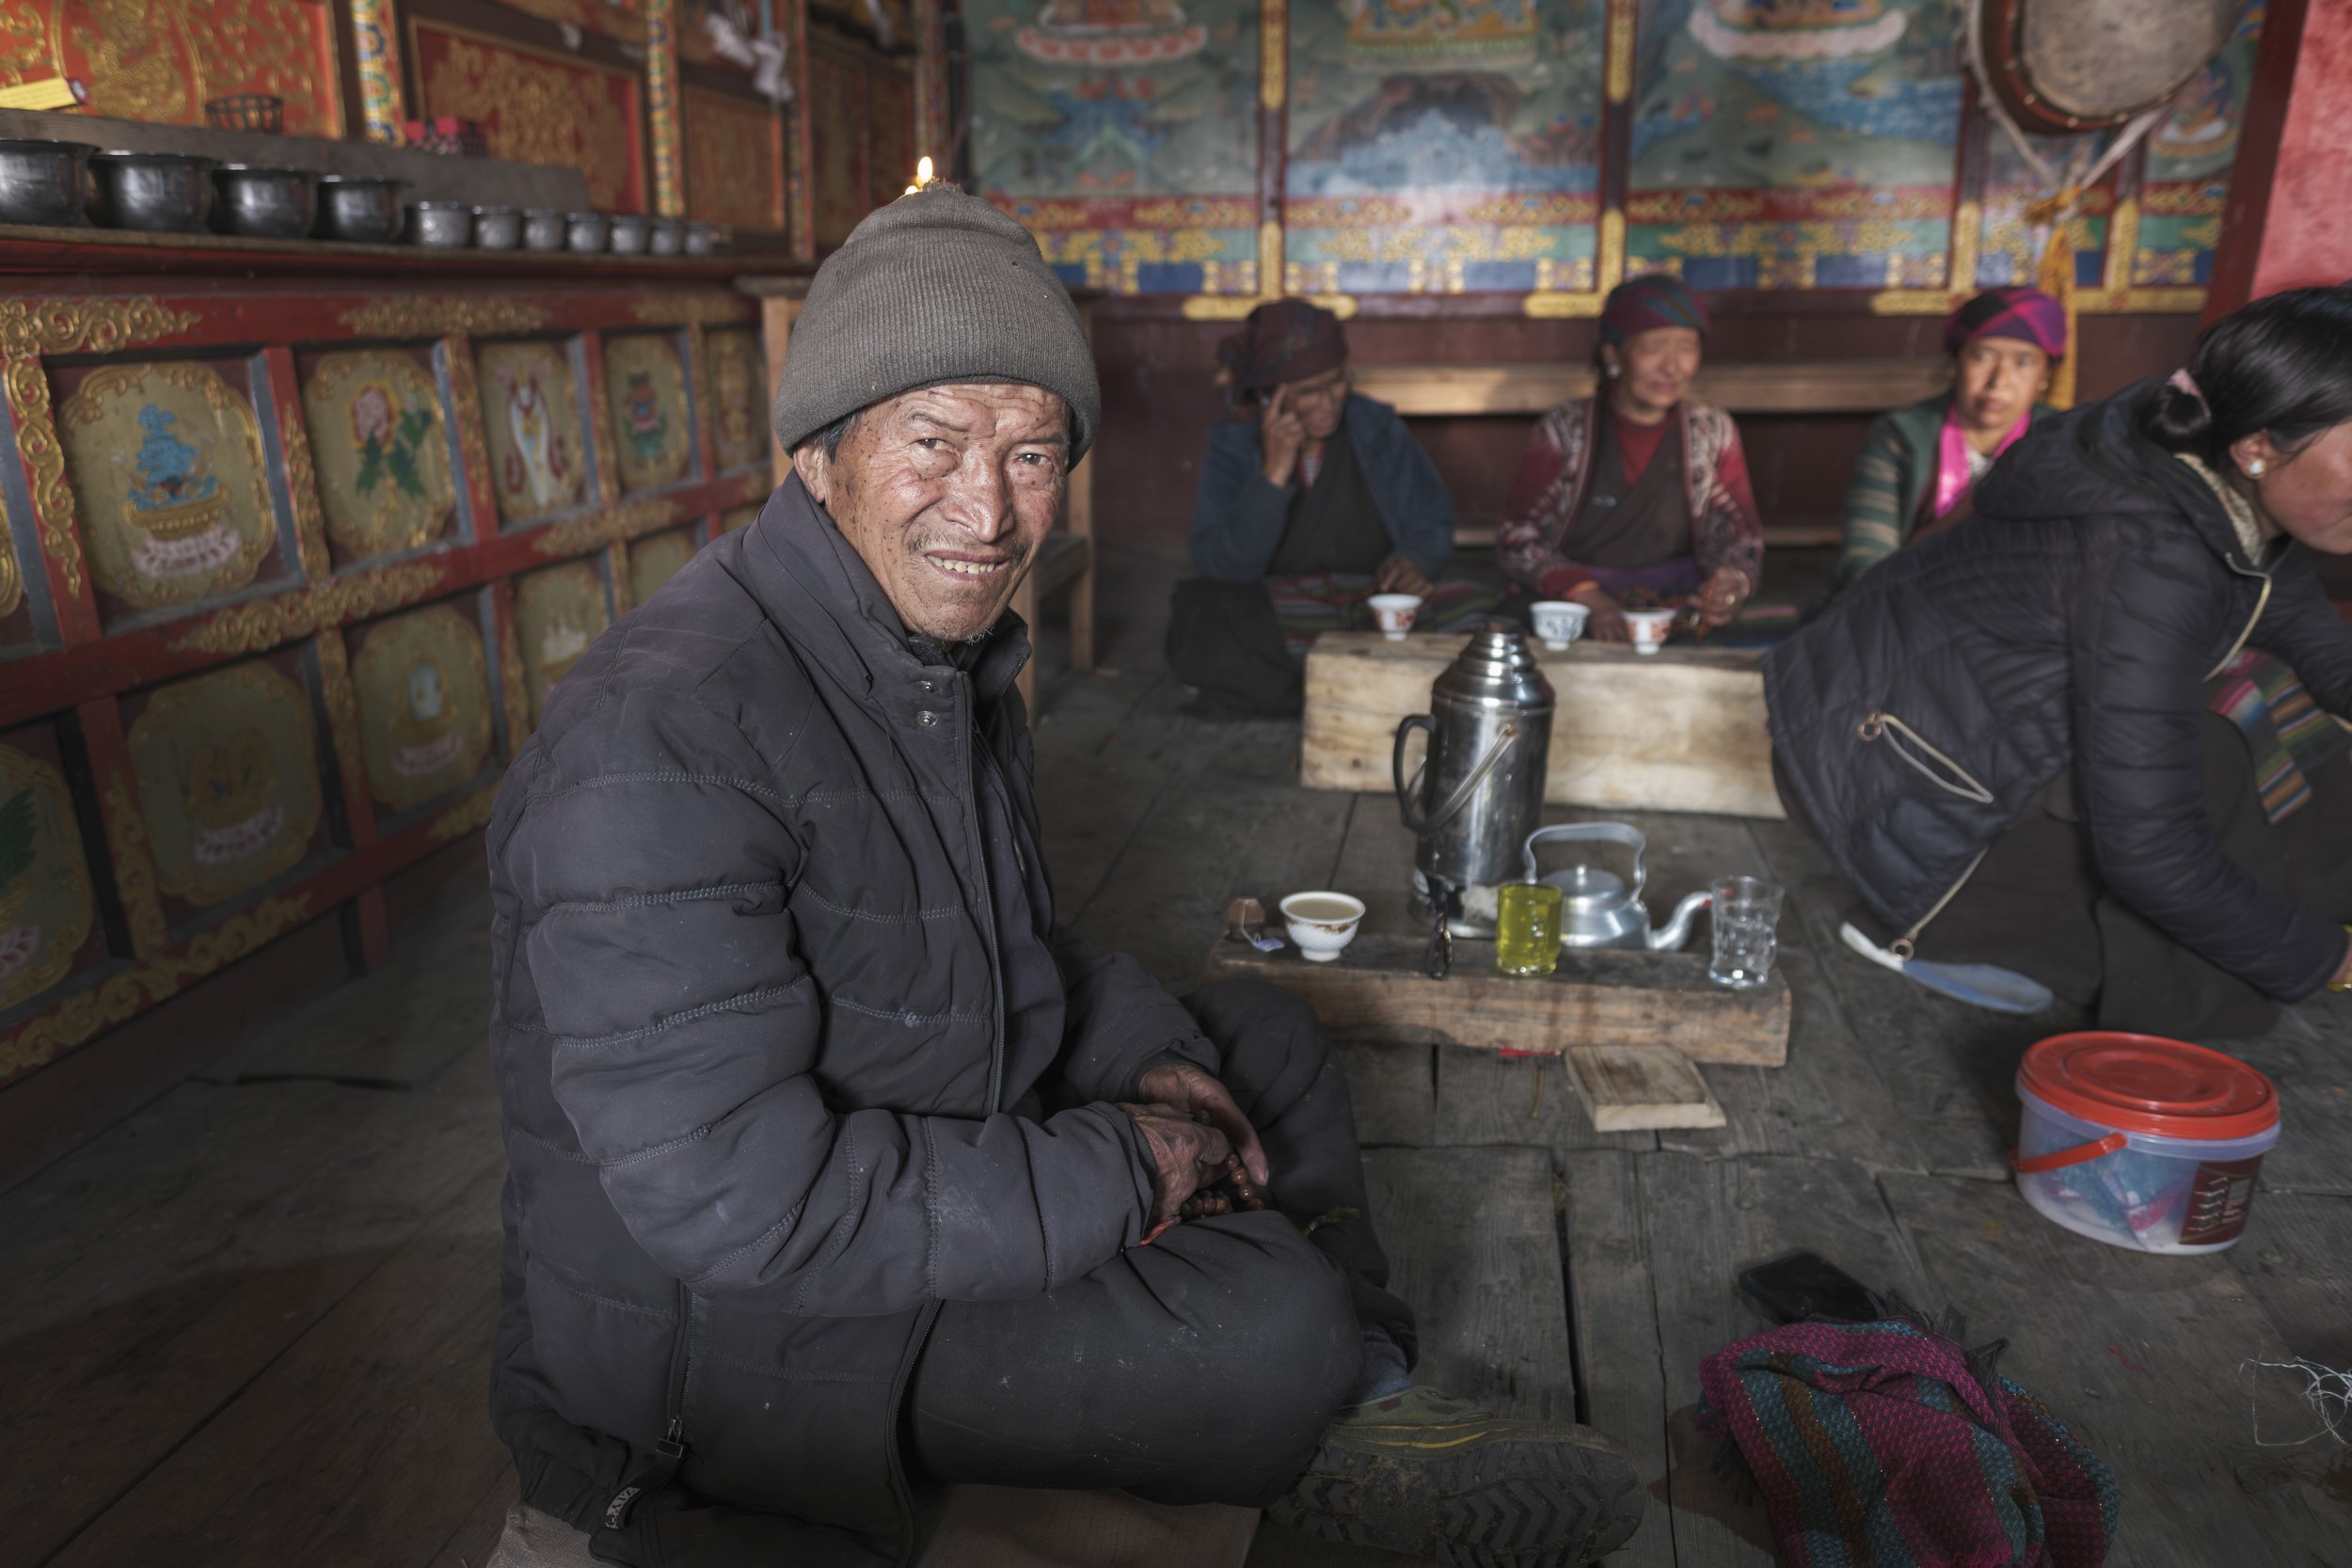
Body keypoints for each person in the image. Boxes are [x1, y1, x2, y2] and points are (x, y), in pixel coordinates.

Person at [482, 186, 1641, 1568]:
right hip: (729, 1340)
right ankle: (1310, 1382)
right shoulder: (658, 738)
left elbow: (1001, 941)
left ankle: (1354, 1405)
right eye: (933, 441)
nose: (987, 506)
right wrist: (1120, 1169)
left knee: (1262, 1029)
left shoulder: (930, 665)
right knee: (1267, 1323)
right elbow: (750, 1203)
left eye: (1033, 453)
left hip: (920, 1145)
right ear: (816, 453)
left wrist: (1153, 1060)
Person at [1767, 286, 2352, 1037]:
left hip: (1928, 724)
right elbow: (2152, 852)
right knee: (2213, 759)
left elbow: (2315, 639)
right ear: (2259, 446)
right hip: (1887, 772)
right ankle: (1935, 930)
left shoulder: (2202, 454)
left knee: (2277, 702)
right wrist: (2330, 958)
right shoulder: (2152, 555)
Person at [1171, 298, 1489, 716]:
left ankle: (1303, 690)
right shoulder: (1234, 444)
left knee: (1473, 604)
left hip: (1370, 606)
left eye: (1336, 382)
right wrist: (1272, 475)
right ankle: (1360, 689)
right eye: (1307, 392)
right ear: (1270, 396)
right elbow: (1224, 565)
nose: (1328, 402)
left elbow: (1432, 518)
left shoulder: (1376, 427)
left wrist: (1412, 561)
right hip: (1282, 611)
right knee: (1204, 616)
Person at [1498, 275, 1763, 641]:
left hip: (1677, 604)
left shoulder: (1713, 431)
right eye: (1654, 347)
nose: (1671, 367)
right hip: (1576, 599)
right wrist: (1589, 598)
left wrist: (1730, 585)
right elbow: (1517, 538)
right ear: (1613, 354)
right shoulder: (1564, 429)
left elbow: (1741, 540)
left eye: (1686, 347)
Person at [1822, 285, 2064, 599]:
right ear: (1956, 361)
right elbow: (1866, 556)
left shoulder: (2062, 442)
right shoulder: (1900, 436)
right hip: (1905, 604)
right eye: (1982, 357)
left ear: (2046, 372)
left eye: (2024, 362)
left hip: (2019, 608)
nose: (1998, 382)